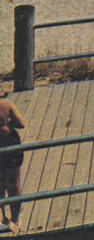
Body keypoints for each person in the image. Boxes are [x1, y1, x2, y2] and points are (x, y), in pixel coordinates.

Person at [0, 96, 24, 231]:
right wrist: (6, 124)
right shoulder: (5, 103)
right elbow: (21, 123)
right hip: (9, 142)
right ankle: (15, 219)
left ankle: (2, 219)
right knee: (13, 183)